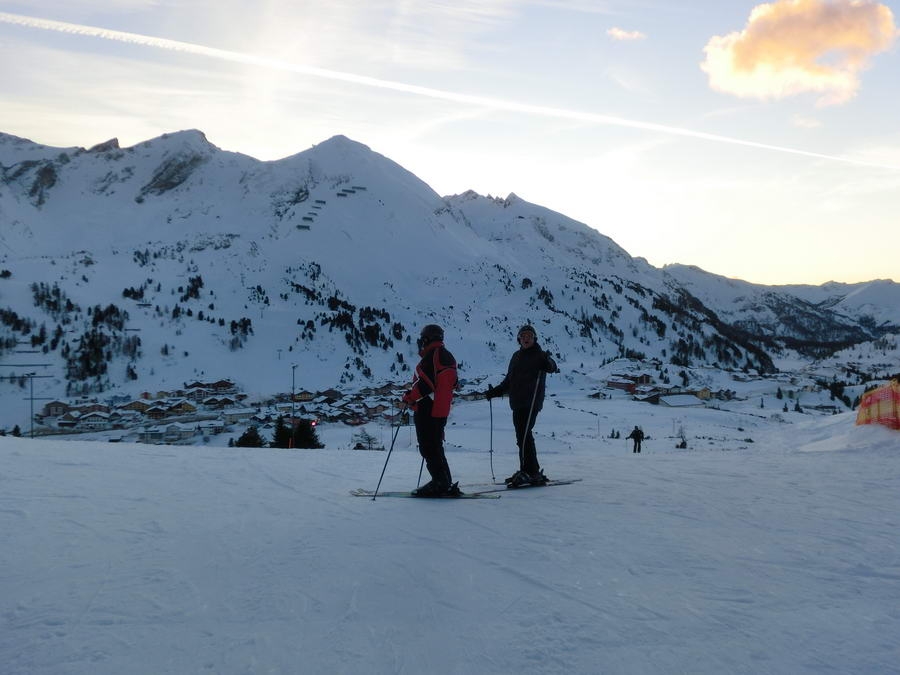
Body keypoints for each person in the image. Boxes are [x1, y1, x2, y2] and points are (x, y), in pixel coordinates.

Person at [484, 324, 559, 487]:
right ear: (519, 339)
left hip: (531, 402)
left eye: (529, 336)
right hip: (517, 402)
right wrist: (494, 392)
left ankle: (530, 472)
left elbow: (552, 367)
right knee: (522, 437)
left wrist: (548, 360)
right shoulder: (516, 356)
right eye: (523, 336)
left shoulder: (539, 355)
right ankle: (529, 470)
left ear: (534, 339)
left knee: (524, 436)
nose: (526, 338)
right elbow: (508, 381)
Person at [399, 324, 459, 497]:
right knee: (435, 445)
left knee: (428, 447)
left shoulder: (431, 357)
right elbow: (454, 383)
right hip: (441, 408)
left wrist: (409, 397)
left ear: (426, 339)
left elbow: (425, 384)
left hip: (427, 407)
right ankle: (445, 481)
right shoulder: (447, 356)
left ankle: (440, 483)